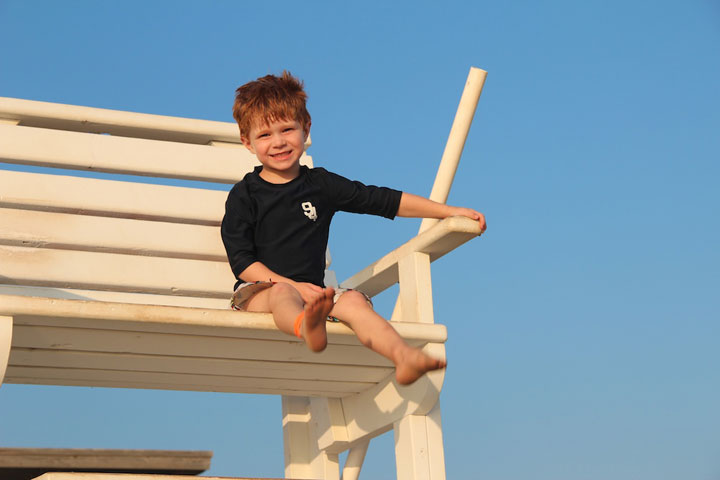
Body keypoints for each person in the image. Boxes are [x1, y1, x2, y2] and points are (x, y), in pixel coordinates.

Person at [221, 71, 486, 385]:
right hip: (261, 294)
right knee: (282, 293)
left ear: (305, 129)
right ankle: (306, 327)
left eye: (287, 129)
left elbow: (381, 200)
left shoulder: (320, 184)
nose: (278, 142)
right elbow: (242, 262)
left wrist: (446, 211)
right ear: (247, 142)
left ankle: (403, 356)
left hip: (315, 297)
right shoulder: (246, 195)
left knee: (355, 302)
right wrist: (292, 286)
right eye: (265, 135)